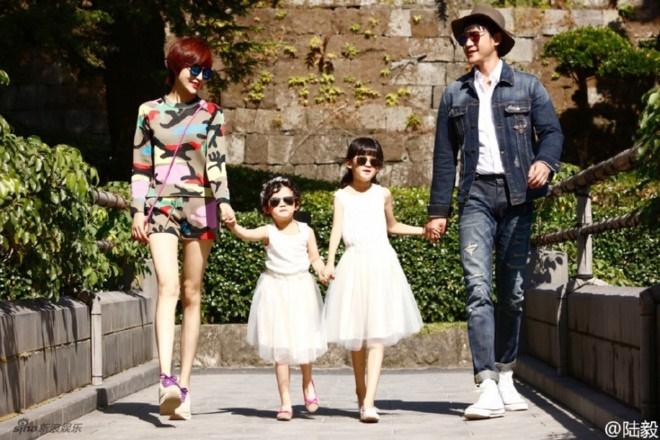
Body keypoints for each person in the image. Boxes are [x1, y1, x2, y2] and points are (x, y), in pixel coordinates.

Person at [424, 5, 563, 420]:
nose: (467, 42)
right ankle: (485, 383)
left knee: (513, 292)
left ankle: (505, 373)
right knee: (478, 288)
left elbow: (552, 132)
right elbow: (445, 156)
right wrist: (438, 210)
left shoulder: (527, 87)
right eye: (463, 37)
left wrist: (545, 162)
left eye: (475, 35)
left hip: (518, 197)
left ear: (496, 39)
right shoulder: (455, 94)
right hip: (476, 197)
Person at [130, 36, 235, 421]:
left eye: (206, 71)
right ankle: (165, 379)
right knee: (168, 286)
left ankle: (184, 386)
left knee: (192, 292)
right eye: (195, 69)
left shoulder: (211, 113)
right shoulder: (149, 111)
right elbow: (140, 167)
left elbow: (217, 164)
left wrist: (224, 202)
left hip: (201, 207)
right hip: (161, 208)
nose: (200, 77)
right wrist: (137, 211)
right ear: (176, 66)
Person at [323, 137, 424, 423]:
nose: (368, 165)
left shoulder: (383, 194)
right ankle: (360, 389)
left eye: (374, 161)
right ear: (349, 163)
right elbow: (336, 231)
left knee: (377, 334)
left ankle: (369, 402)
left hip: (381, 263)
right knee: (357, 337)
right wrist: (329, 262)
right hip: (353, 264)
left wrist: (422, 230)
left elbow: (392, 226)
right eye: (362, 159)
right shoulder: (341, 196)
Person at [224, 176, 328, 421]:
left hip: (301, 289)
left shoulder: (306, 231)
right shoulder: (268, 231)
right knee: (281, 349)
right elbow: (245, 234)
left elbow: (314, 258)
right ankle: (285, 401)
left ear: (296, 204)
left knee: (304, 341)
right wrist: (233, 225)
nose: (282, 204)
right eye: (275, 201)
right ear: (267, 208)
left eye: (288, 200)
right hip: (275, 291)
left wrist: (322, 271)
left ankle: (307, 382)